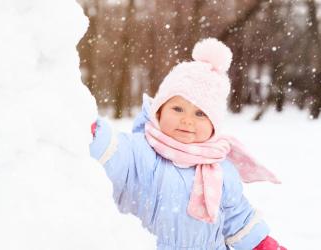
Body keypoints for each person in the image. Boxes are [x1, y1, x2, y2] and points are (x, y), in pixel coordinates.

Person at [89, 38, 286, 250]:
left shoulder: (220, 170)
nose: (187, 120)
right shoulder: (138, 152)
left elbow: (239, 222)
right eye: (177, 109)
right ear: (159, 110)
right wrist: (86, 124)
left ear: (214, 125)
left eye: (201, 113)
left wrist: (265, 246)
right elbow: (108, 148)